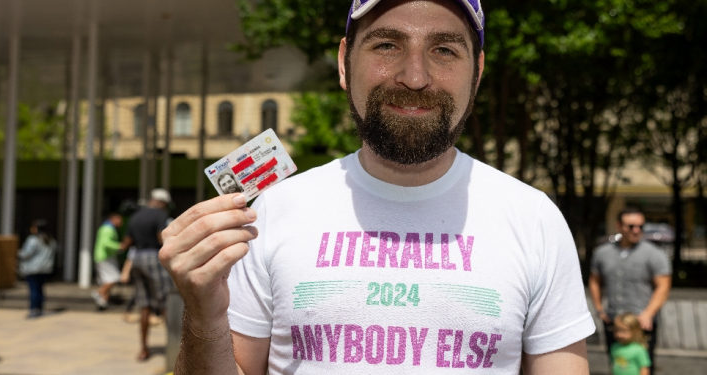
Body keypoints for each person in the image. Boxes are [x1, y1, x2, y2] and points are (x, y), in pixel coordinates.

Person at [159, 0, 596, 374]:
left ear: (477, 72)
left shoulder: (533, 218)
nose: (415, 76)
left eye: (444, 49)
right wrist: (203, 314)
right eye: (387, 44)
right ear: (344, 63)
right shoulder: (270, 212)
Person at [589, 207, 672, 373]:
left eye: (640, 226)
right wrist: (599, 309)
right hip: (613, 320)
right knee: (618, 363)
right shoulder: (602, 252)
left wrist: (649, 313)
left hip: (640, 322)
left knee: (642, 365)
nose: (636, 231)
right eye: (631, 226)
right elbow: (594, 281)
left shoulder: (654, 254)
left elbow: (663, 285)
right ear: (618, 226)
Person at [120, 188, 173, 361]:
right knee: (166, 302)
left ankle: (143, 349)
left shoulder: (136, 216)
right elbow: (161, 238)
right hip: (154, 257)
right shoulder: (160, 215)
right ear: (162, 202)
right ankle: (175, 347)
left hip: (137, 258)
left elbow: (127, 242)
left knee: (144, 305)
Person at [17, 220, 57, 319]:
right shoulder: (51, 240)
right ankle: (39, 308)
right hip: (45, 268)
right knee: (40, 289)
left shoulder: (33, 240)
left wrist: (17, 253)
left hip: (33, 269)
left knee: (34, 290)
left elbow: (26, 254)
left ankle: (34, 309)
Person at [91, 212, 124, 309]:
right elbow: (106, 243)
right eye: (119, 220)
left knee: (105, 280)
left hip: (104, 256)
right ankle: (98, 293)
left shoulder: (106, 227)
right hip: (105, 257)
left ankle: (103, 301)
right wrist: (119, 246)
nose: (121, 222)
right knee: (114, 278)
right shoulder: (108, 228)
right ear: (113, 218)